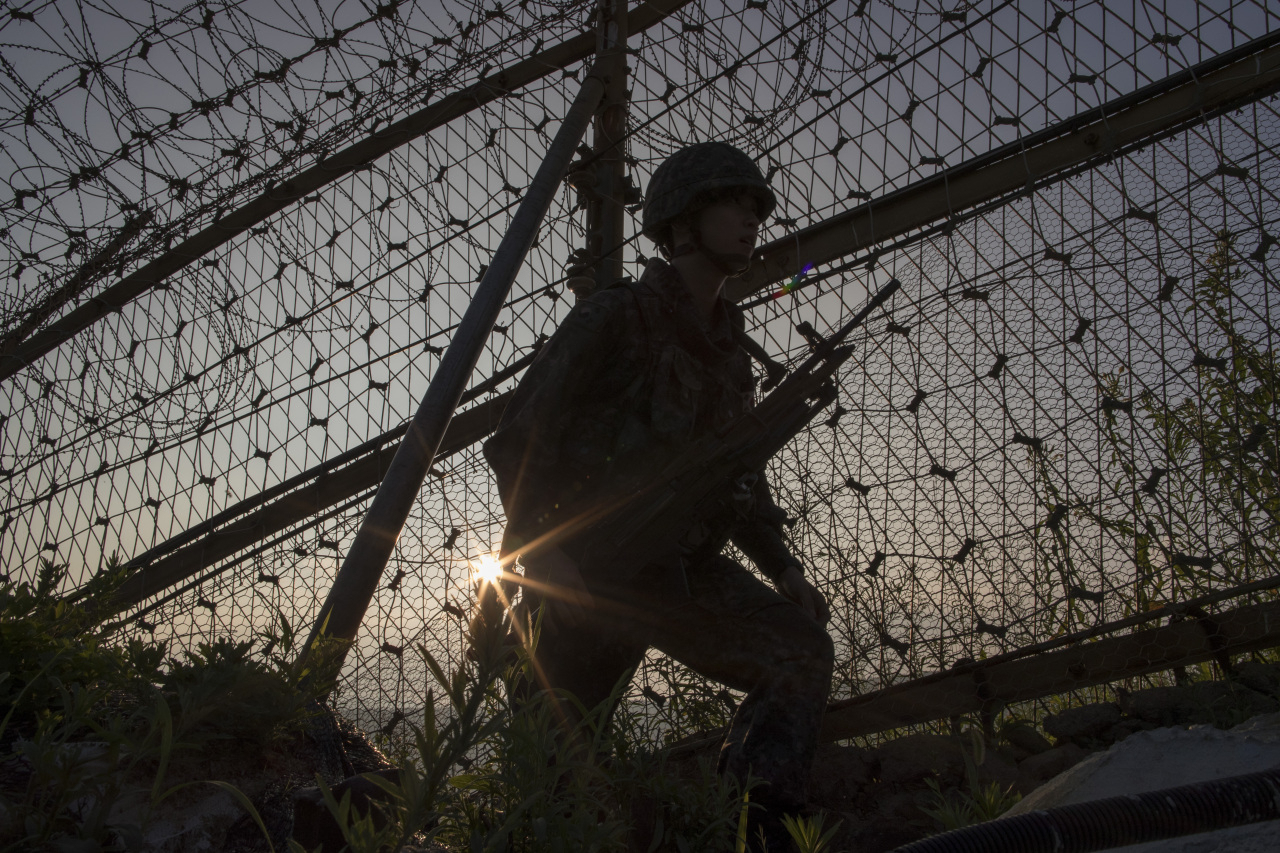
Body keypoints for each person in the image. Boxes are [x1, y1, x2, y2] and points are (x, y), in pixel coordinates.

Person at [482, 141, 834, 851]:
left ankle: (754, 828)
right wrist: (540, 552)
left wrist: (782, 565)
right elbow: (521, 437)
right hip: (587, 570)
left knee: (799, 651)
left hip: (678, 569)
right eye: (731, 204)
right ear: (681, 221)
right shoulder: (618, 315)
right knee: (552, 770)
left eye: (756, 208)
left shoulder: (729, 350)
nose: (751, 220)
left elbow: (738, 472)